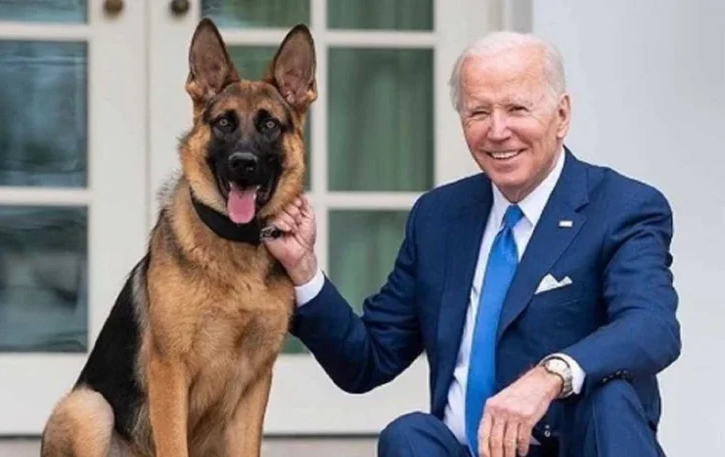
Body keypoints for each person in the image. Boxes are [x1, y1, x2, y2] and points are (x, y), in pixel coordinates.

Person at [264, 31, 680, 457]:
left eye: (517, 109)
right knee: (408, 435)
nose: (497, 131)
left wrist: (550, 375)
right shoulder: (439, 217)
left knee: (611, 397)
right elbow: (366, 361)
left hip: (576, 448)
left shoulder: (621, 207)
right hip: (464, 449)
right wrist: (303, 268)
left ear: (561, 115)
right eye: (478, 112)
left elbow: (652, 327)